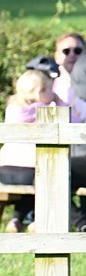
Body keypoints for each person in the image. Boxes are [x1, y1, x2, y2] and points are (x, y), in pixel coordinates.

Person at [0, 70, 58, 232]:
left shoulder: (12, 108)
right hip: (29, 170)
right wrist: (56, 103)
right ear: (39, 92)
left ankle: (16, 219)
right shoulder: (45, 110)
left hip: (5, 171)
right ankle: (38, 220)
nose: (53, 93)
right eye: (50, 89)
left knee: (28, 191)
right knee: (47, 180)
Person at [49, 32, 86, 228]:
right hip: (61, 153)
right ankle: (80, 223)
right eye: (66, 51)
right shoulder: (48, 86)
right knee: (49, 175)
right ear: (57, 56)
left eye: (78, 50)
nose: (72, 55)